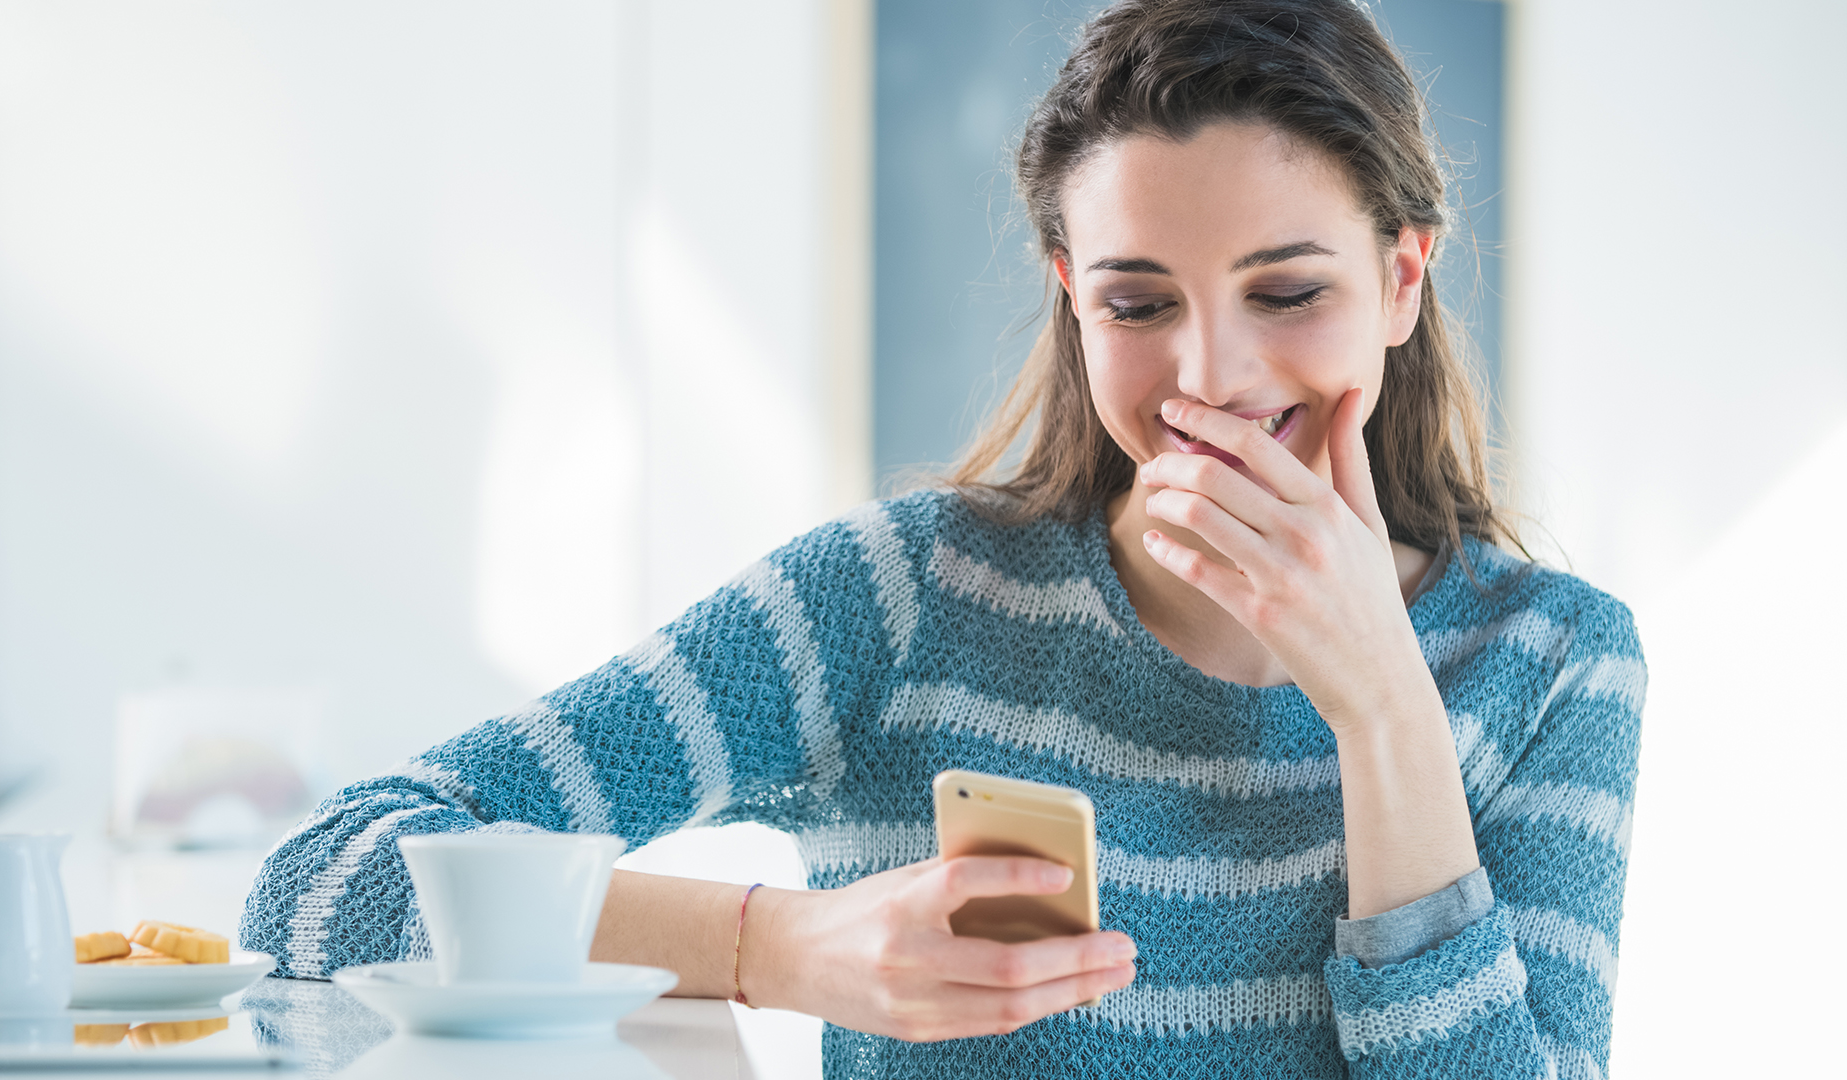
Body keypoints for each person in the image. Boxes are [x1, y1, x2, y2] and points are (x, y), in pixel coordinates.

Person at [241, 0, 1644, 1076]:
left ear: (1402, 278)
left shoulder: (1557, 661)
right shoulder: (899, 597)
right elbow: (325, 881)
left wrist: (1384, 709)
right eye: (1139, 304)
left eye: (1286, 291)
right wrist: (777, 948)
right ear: (1067, 295)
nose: (1211, 376)